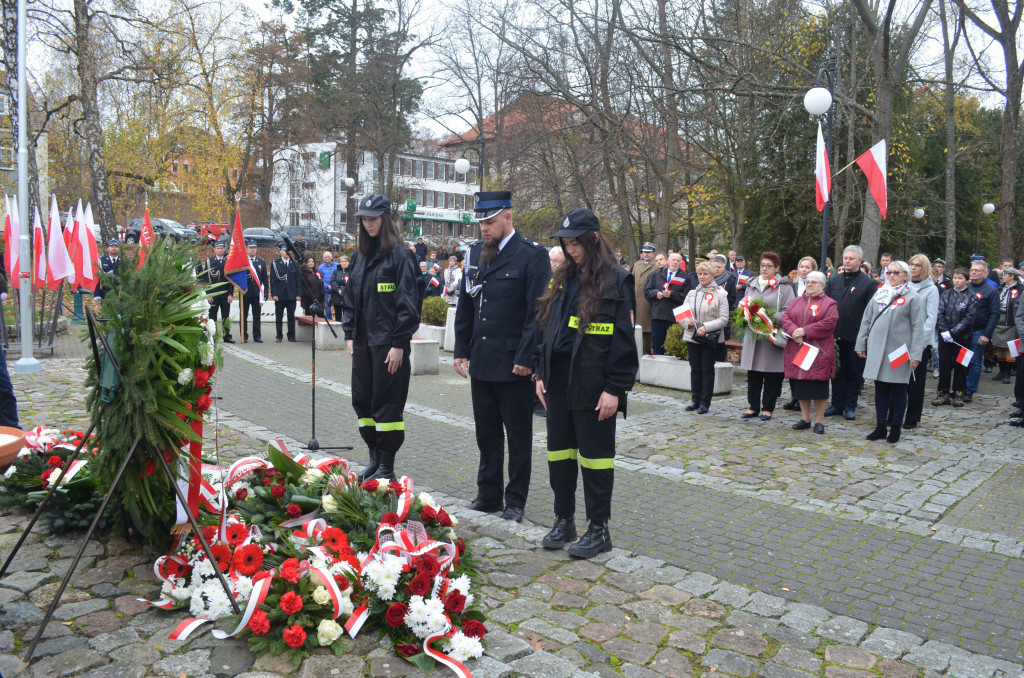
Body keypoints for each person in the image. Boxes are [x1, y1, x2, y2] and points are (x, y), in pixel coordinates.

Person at [534, 208, 638, 558]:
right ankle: (564, 520)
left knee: (596, 459)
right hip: (557, 381)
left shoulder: (616, 280)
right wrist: (539, 372)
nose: (570, 249)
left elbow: (623, 344)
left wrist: (615, 389)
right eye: (565, 243)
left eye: (576, 243)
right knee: (559, 457)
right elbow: (545, 328)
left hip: (594, 385)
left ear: (593, 240)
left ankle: (599, 528)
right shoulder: (562, 277)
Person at [454, 190, 550, 523]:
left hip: (514, 365)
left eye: (490, 222)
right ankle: (489, 494)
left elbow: (537, 312)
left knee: (518, 436)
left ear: (508, 217)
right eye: (481, 222)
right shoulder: (475, 253)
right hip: (482, 360)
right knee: (487, 434)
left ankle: (516, 501)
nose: (484, 228)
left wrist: (527, 358)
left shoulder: (531, 256)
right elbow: (467, 303)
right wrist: (461, 349)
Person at [341, 194, 419, 482]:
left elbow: (408, 304)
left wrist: (399, 343)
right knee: (362, 401)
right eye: (363, 218)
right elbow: (350, 298)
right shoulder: (360, 255)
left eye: (372, 218)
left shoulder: (400, 255)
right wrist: (349, 334)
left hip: (389, 345)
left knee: (387, 404)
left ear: (385, 219)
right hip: (362, 342)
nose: (367, 223)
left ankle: (387, 464)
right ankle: (374, 457)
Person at [855, 261, 927, 444]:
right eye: (889, 272)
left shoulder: (913, 297)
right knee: (880, 388)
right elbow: (866, 319)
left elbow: (919, 328)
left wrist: (916, 354)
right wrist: (861, 343)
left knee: (898, 388)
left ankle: (895, 427)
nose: (892, 275)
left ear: (905, 276)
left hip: (899, 351)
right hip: (877, 348)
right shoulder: (881, 293)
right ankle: (880, 426)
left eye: (896, 272)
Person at [738, 252, 794, 421]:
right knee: (753, 372)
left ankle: (768, 408)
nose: (764, 268)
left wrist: (768, 315)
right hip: (754, 336)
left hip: (771, 336)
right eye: (762, 265)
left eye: (769, 266)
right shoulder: (752, 284)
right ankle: (753, 406)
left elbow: (789, 313)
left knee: (772, 373)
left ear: (777, 268)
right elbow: (745, 303)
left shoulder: (784, 287)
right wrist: (744, 313)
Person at [781, 271, 837, 434]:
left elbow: (829, 323)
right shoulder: (796, 302)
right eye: (807, 282)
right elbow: (786, 318)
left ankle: (819, 420)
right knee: (802, 386)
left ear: (822, 285)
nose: (809, 284)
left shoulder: (830, 303)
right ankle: (805, 418)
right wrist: (795, 332)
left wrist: (805, 331)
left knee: (819, 387)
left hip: (819, 351)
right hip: (798, 349)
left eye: (814, 282)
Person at [825, 245, 877, 420]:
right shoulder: (834, 281)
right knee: (837, 371)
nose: (847, 261)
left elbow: (871, 311)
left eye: (851, 258)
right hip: (835, 334)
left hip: (856, 336)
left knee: (854, 373)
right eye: (845, 258)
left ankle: (850, 405)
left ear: (860, 261)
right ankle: (837, 404)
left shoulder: (868, 284)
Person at [680, 261, 730, 413]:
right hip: (692, 336)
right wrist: (687, 323)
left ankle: (705, 403)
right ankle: (695, 400)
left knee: (707, 369)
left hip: (710, 337)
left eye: (705, 274)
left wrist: (705, 327)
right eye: (700, 274)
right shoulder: (691, 293)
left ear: (712, 275)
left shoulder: (721, 294)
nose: (702, 276)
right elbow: (682, 315)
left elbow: (724, 319)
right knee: (695, 369)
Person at [934, 268, 978, 408]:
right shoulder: (946, 294)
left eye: (960, 278)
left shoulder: (972, 297)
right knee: (944, 366)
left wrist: (953, 333)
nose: (956, 281)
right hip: (945, 338)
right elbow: (939, 313)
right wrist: (944, 331)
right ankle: (943, 393)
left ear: (967, 280)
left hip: (963, 338)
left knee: (961, 367)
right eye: (955, 277)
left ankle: (959, 393)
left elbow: (969, 318)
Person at [904, 255, 938, 429]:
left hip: (919, 342)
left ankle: (912, 416)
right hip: (902, 340)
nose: (913, 268)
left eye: (917, 265)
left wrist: (920, 342)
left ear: (924, 268)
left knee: (915, 381)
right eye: (911, 264)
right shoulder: (905, 286)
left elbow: (930, 320)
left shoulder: (931, 290)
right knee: (897, 379)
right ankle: (894, 413)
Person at [965, 260, 998, 402]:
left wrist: (987, 334)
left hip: (979, 331)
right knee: (961, 360)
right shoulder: (965, 287)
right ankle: (960, 387)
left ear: (985, 273)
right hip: (962, 331)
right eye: (972, 270)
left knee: (975, 362)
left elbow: (994, 314)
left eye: (977, 270)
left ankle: (969, 390)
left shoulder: (991, 291)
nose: (973, 272)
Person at [644, 252, 689, 355]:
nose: (675, 262)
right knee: (657, 345)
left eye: (678, 261)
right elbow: (647, 291)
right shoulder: (655, 275)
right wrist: (656, 294)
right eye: (673, 260)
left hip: (674, 316)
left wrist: (672, 294)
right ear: (668, 261)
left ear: (680, 263)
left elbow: (687, 296)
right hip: (658, 314)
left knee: (671, 347)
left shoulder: (684, 277)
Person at [991, 266, 1023, 383]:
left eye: (1005, 274)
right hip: (999, 320)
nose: (1002, 276)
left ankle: (1007, 374)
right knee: (999, 347)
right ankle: (1001, 371)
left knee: (1009, 347)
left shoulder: (1020, 289)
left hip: (1011, 321)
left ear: (1012, 276)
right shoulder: (1000, 288)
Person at [197, 241, 234, 343]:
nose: (220, 250)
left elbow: (231, 280)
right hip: (213, 294)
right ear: (214, 250)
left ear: (224, 249)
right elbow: (206, 279)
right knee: (213, 316)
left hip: (225, 294)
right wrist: (208, 294)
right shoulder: (209, 261)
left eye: (222, 248)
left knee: (225, 316)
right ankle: (213, 336)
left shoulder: (228, 261)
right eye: (218, 248)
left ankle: (227, 336)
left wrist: (230, 294)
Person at [270, 244, 301, 342]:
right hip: (280, 294)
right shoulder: (275, 263)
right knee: (279, 317)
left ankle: (291, 335)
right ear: (280, 251)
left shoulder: (294, 263)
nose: (286, 252)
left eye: (288, 250)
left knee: (291, 316)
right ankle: (279, 336)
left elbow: (298, 280)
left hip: (291, 294)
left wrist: (298, 294)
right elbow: (273, 279)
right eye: (284, 250)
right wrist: (274, 294)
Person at [631, 244, 658, 354]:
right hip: (635, 302)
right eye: (644, 252)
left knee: (646, 331)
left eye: (649, 252)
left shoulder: (656, 266)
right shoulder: (637, 265)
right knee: (635, 329)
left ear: (653, 254)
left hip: (647, 303)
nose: (646, 254)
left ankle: (646, 354)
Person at [241, 240, 268, 343]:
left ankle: (257, 336)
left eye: (254, 248)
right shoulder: (243, 261)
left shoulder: (261, 262)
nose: (253, 249)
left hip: (257, 293)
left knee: (257, 316)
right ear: (247, 249)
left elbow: (265, 278)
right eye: (250, 248)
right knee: (244, 315)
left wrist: (265, 292)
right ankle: (244, 335)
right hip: (245, 292)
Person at [328, 255, 350, 321]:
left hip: (347, 297)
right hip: (337, 297)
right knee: (338, 316)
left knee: (347, 317)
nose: (344, 263)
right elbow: (332, 281)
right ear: (340, 263)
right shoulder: (336, 271)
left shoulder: (351, 271)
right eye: (342, 261)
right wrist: (338, 289)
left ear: (348, 262)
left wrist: (344, 290)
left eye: (345, 261)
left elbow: (352, 282)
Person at [318, 252, 339, 320]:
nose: (327, 258)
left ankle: (339, 320)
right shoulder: (320, 267)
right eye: (325, 257)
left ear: (331, 257)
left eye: (328, 257)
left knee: (337, 306)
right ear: (323, 258)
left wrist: (335, 286)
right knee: (327, 306)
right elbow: (320, 279)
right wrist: (327, 286)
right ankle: (329, 320)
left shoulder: (337, 265)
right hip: (326, 290)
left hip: (336, 290)